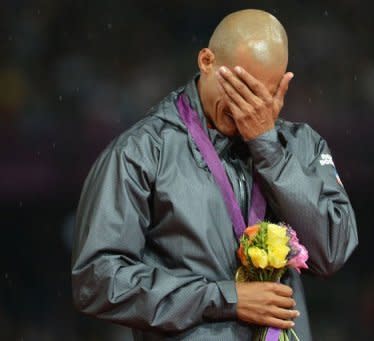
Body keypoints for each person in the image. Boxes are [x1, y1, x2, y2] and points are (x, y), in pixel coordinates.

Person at [71, 9, 358, 341]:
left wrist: (268, 149)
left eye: (260, 94)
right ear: (207, 61)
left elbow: (332, 252)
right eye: (238, 87)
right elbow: (97, 280)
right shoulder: (141, 153)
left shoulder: (300, 146)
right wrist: (225, 298)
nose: (245, 107)